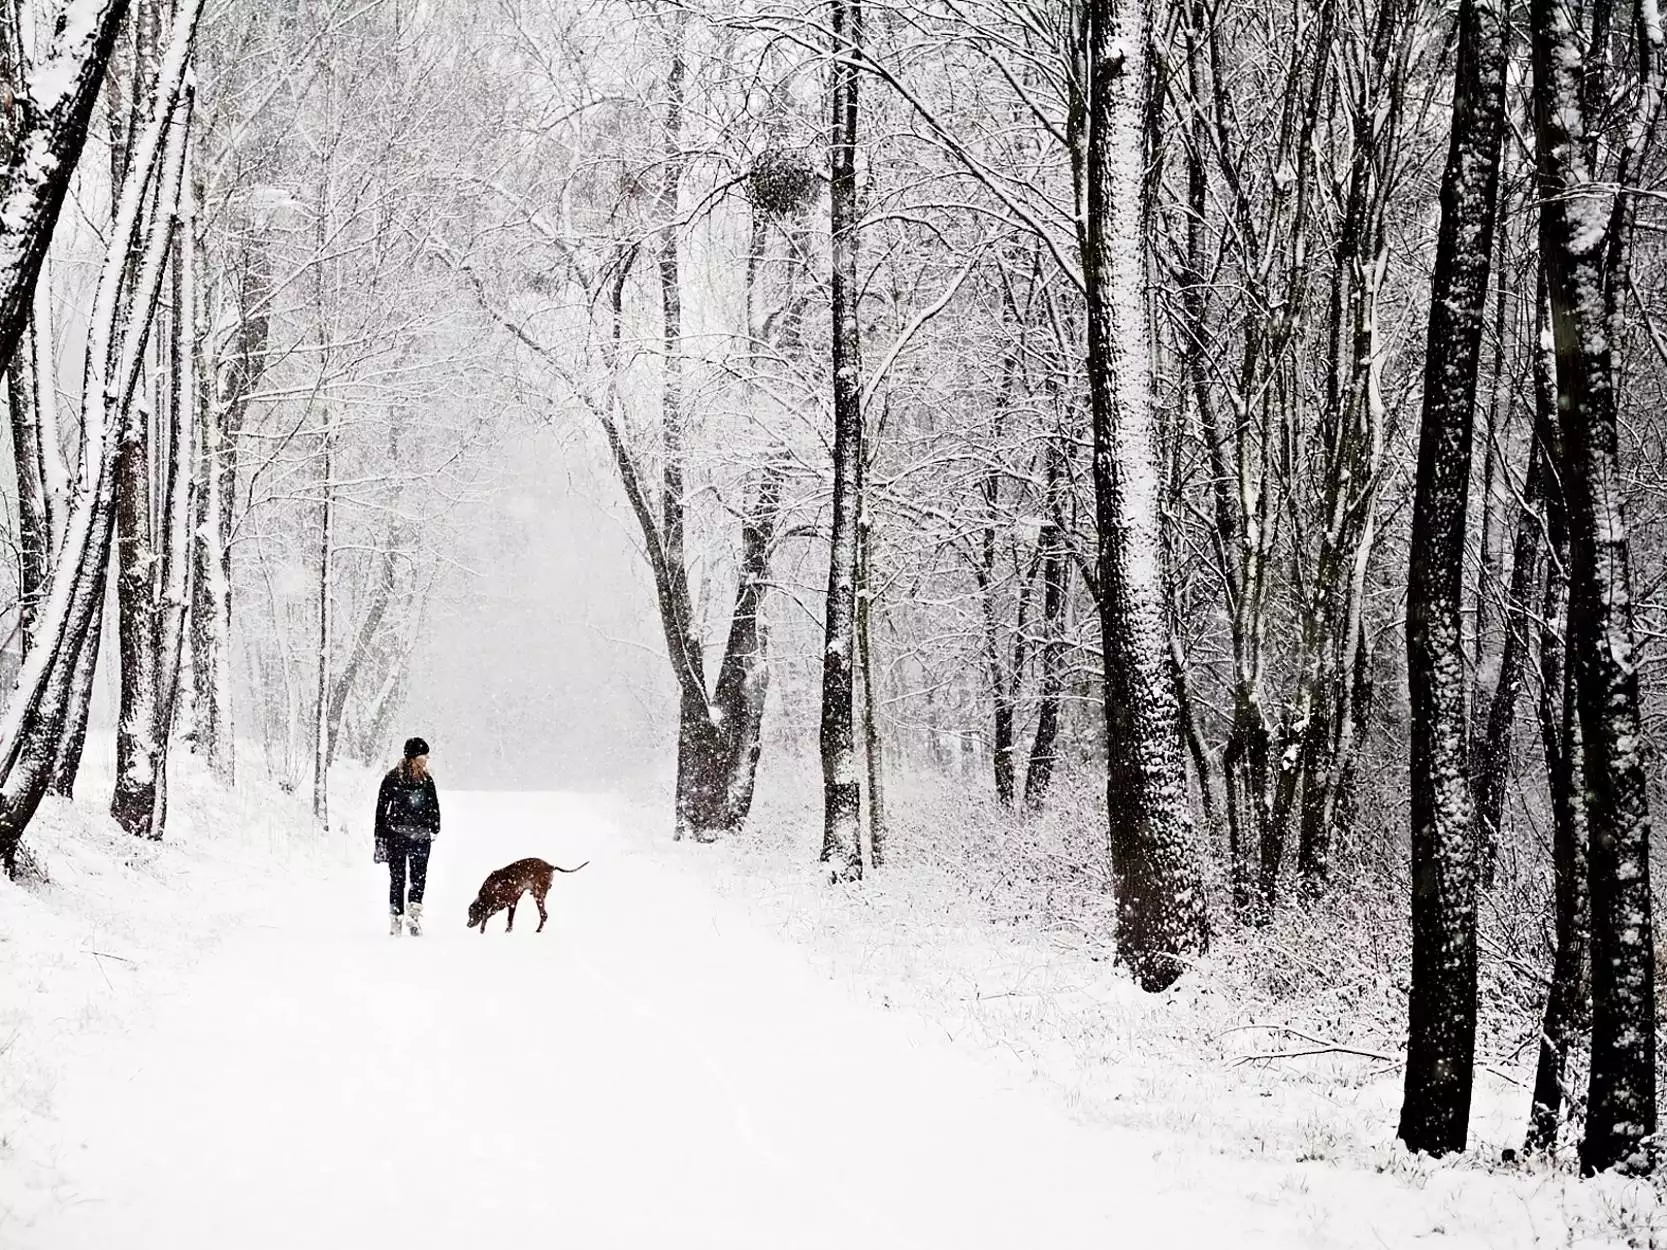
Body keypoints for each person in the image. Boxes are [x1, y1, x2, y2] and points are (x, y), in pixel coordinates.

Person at [374, 737, 441, 936]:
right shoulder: (426, 780)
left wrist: (380, 832)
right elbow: (433, 807)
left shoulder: (392, 777)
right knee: (418, 877)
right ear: (416, 757)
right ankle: (413, 913)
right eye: (424, 755)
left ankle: (396, 919)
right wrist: (435, 827)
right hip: (420, 836)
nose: (427, 759)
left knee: (397, 878)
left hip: (396, 835)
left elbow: (381, 807)